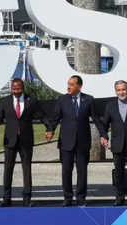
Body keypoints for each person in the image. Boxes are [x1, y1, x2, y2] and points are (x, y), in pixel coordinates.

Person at [45, 74, 107, 207]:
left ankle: (81, 198)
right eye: (68, 84)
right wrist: (50, 130)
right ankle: (67, 198)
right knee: (66, 170)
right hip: (66, 142)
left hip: (82, 142)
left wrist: (104, 135)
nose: (69, 87)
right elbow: (55, 118)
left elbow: (96, 119)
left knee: (82, 171)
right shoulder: (62, 100)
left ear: (79, 86)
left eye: (72, 84)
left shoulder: (88, 100)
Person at [0, 78, 38, 207]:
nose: (16, 91)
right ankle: (6, 198)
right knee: (8, 169)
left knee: (27, 169)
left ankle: (27, 198)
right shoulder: (5, 101)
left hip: (26, 140)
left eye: (19, 88)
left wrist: (50, 128)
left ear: (23, 88)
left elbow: (42, 115)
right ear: (11, 88)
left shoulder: (31, 100)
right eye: (14, 88)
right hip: (10, 140)